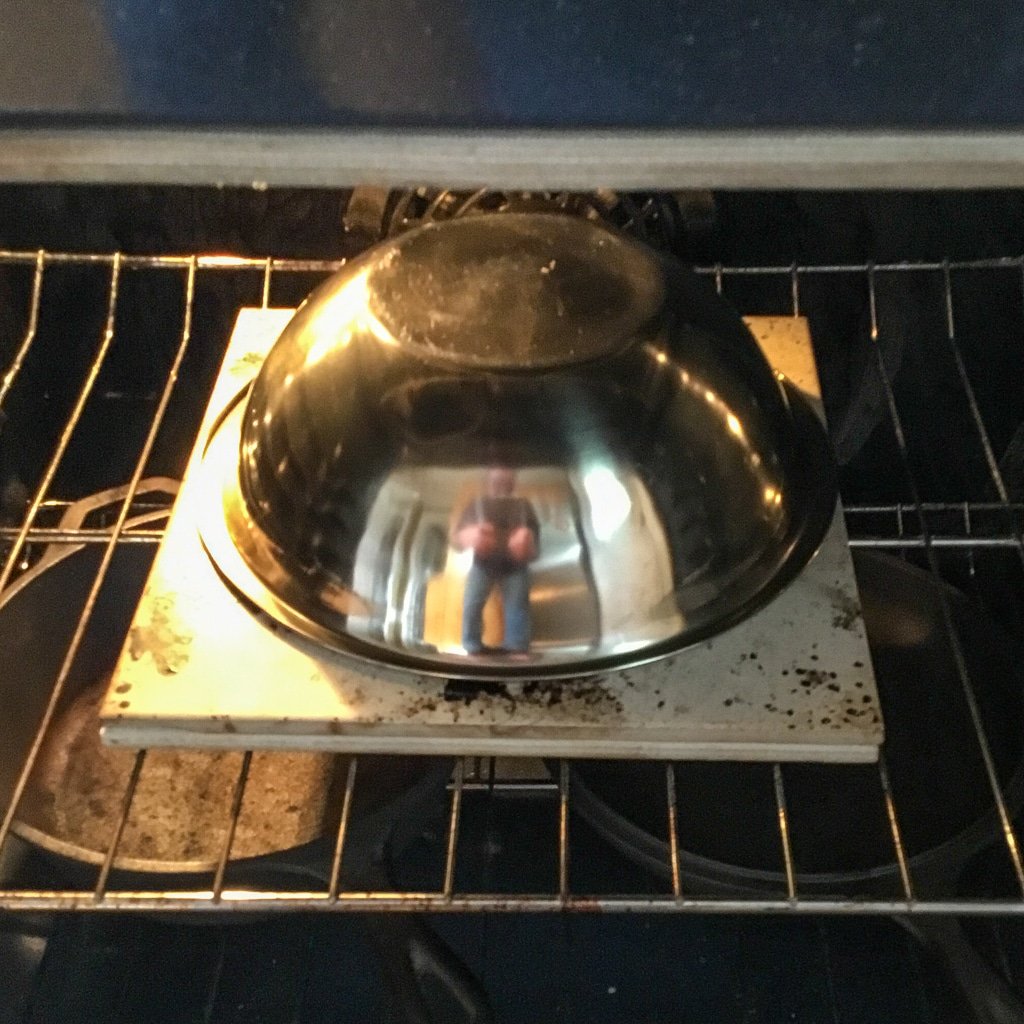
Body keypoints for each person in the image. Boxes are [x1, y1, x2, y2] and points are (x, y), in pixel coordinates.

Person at [452, 467, 540, 655]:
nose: (501, 478)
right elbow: (456, 541)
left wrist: (528, 542)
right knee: (472, 605)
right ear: (488, 477)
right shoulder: (476, 504)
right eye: (496, 474)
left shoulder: (523, 505)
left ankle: (517, 649)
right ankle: (472, 648)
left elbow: (536, 550)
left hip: (516, 566)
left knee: (517, 608)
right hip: (482, 564)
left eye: (506, 472)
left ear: (513, 480)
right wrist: (465, 536)